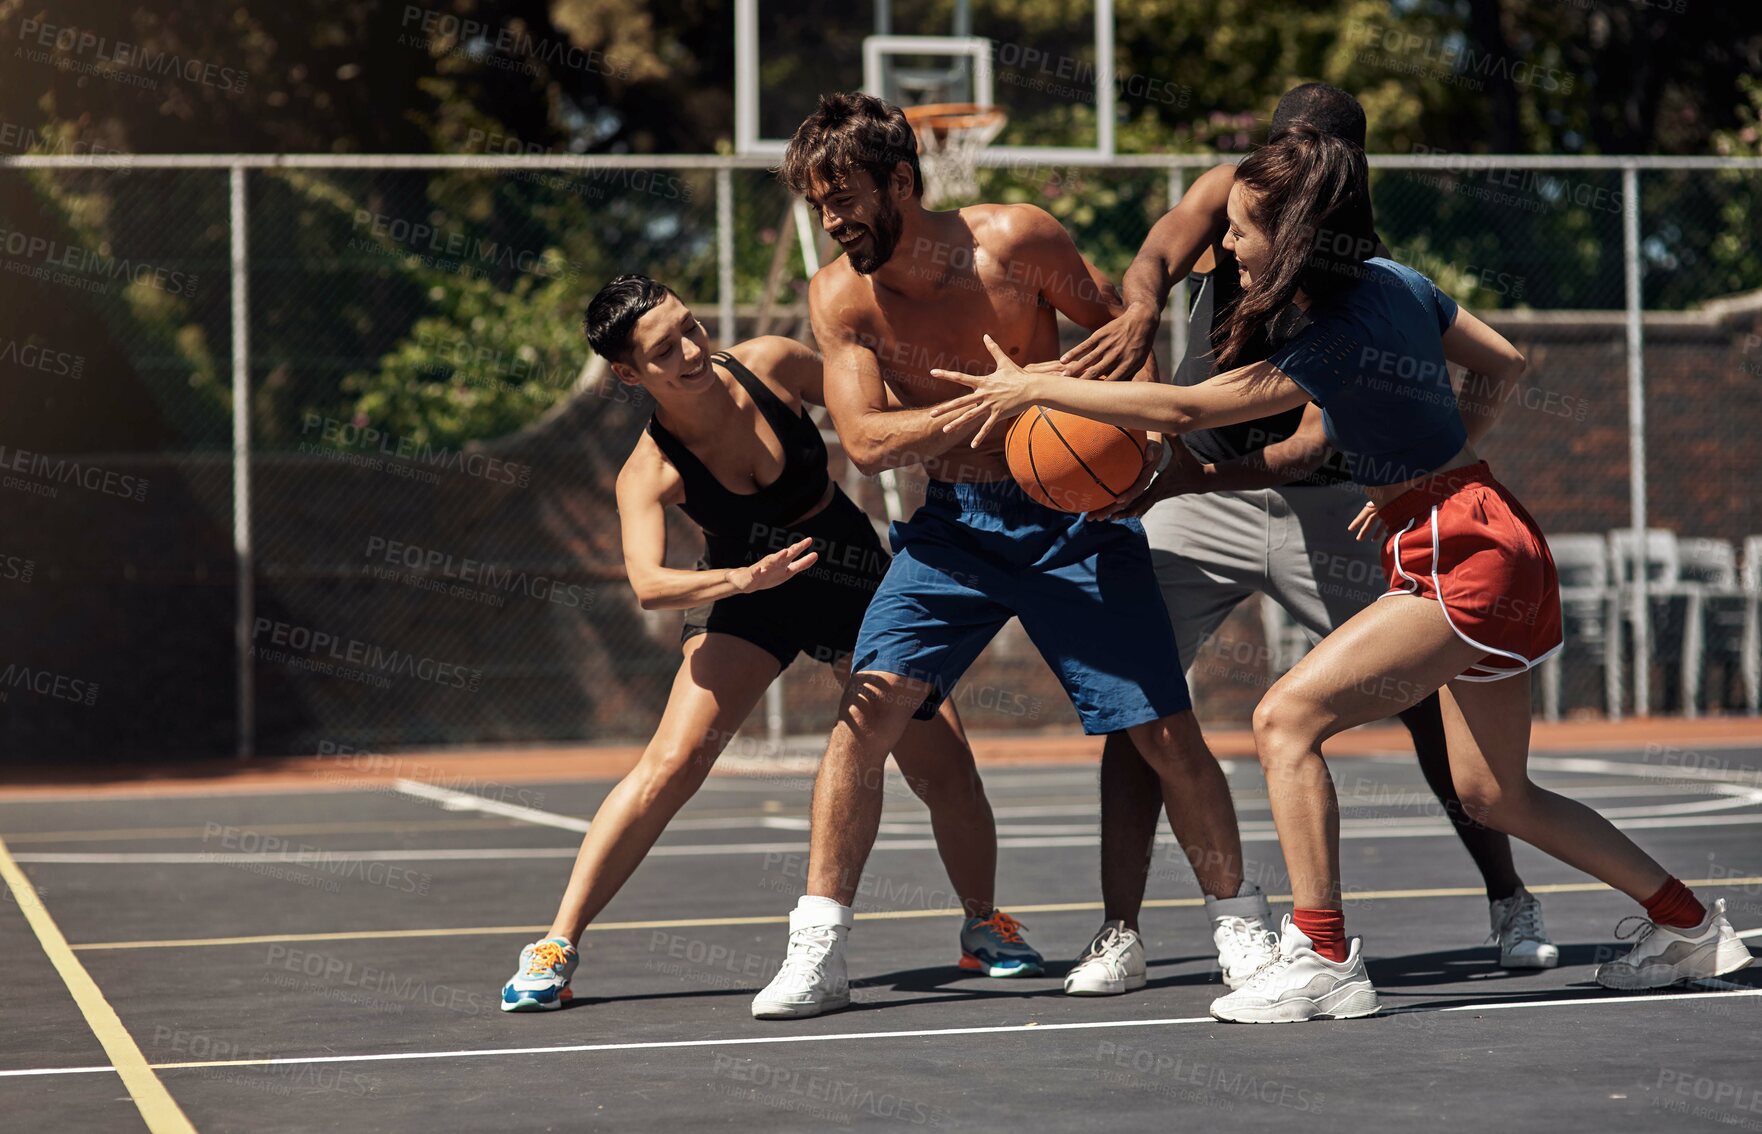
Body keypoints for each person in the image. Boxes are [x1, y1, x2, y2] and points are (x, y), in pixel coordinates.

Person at [928, 126, 1754, 1022]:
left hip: (1463, 552)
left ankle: (1324, 959)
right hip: (1486, 527)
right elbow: (1505, 363)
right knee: (1494, 792)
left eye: (1242, 231)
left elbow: (1183, 406)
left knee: (1284, 719)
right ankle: (1687, 926)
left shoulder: (1328, 329)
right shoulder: (1397, 282)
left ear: (1291, 237)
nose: (1228, 245)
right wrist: (1420, 471)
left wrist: (1035, 390)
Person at [748, 92, 1275, 1022]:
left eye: (844, 199)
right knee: (863, 719)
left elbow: (1127, 347)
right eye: (817, 205)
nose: (830, 221)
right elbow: (867, 441)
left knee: (1161, 731)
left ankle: (1241, 927)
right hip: (952, 527)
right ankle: (817, 946)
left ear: (902, 181)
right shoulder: (838, 295)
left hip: (1070, 514)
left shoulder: (1020, 242)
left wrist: (1126, 448)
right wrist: (996, 401)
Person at [1056, 83, 1554, 998]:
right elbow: (1159, 251)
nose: (1289, 175)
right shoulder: (1234, 190)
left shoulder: (1359, 277)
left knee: (1425, 701)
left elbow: (1312, 439)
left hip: (1315, 499)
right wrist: (1138, 308)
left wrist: (1426, 473)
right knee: (1140, 706)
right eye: (1284, 150)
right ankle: (1119, 931)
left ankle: (1508, 897)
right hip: (1193, 494)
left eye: (1317, 158)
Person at [499, 274, 1044, 1012]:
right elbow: (650, 585)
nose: (694, 349)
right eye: (667, 349)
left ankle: (984, 923)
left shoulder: (773, 363)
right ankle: (556, 943)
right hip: (745, 592)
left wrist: (976, 426)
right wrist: (740, 580)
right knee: (672, 762)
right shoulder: (649, 469)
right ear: (630, 374)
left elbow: (874, 416)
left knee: (945, 767)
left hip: (848, 575)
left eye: (691, 326)